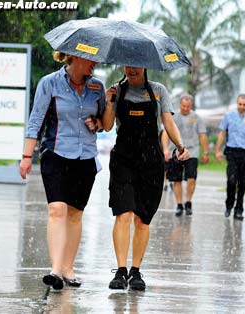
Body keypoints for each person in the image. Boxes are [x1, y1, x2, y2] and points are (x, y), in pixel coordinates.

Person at [19, 52, 105, 291]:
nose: (95, 65)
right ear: (75, 58)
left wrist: (97, 122)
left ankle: (68, 267)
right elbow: (36, 120)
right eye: (91, 60)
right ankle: (55, 270)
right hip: (55, 153)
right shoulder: (49, 83)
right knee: (57, 210)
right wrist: (26, 157)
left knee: (76, 214)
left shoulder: (98, 86)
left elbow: (105, 121)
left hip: (85, 157)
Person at [103, 66, 189, 291]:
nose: (131, 70)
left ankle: (136, 271)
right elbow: (107, 125)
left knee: (143, 218)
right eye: (127, 66)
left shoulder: (158, 91)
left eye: (135, 65)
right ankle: (120, 271)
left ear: (144, 66)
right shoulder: (116, 91)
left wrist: (180, 146)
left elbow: (168, 123)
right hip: (123, 159)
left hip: (150, 161)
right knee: (123, 213)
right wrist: (109, 102)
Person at [162, 93, 209, 216]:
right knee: (176, 179)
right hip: (176, 152)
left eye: (188, 106)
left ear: (191, 105)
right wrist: (166, 149)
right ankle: (179, 204)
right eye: (183, 106)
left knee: (191, 178)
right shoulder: (173, 117)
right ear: (180, 105)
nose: (185, 109)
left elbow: (202, 135)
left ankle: (188, 202)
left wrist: (205, 152)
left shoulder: (197, 118)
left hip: (192, 152)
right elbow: (165, 133)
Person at [215, 94, 245, 220]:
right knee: (231, 180)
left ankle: (239, 209)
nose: (242, 107)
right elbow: (222, 133)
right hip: (232, 151)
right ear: (237, 103)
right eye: (240, 104)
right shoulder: (229, 116)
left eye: (244, 104)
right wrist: (217, 150)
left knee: (243, 182)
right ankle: (229, 205)